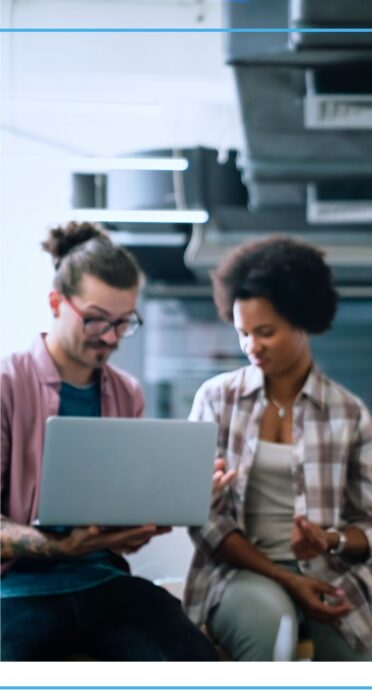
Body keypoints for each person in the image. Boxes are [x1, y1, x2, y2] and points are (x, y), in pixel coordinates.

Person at [0, 222, 218, 661]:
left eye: (124, 323)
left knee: (199, 668)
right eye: (97, 319)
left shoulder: (126, 392)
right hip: (17, 589)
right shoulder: (9, 384)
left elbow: (119, 523)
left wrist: (143, 523)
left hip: (105, 582)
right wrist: (59, 546)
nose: (111, 337)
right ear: (56, 303)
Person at [182, 235, 372, 661]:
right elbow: (203, 519)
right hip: (240, 572)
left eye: (265, 332)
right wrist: (286, 578)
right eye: (242, 333)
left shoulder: (348, 414)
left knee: (354, 656)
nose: (251, 347)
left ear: (302, 322)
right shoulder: (216, 401)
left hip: (331, 573)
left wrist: (329, 540)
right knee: (269, 622)